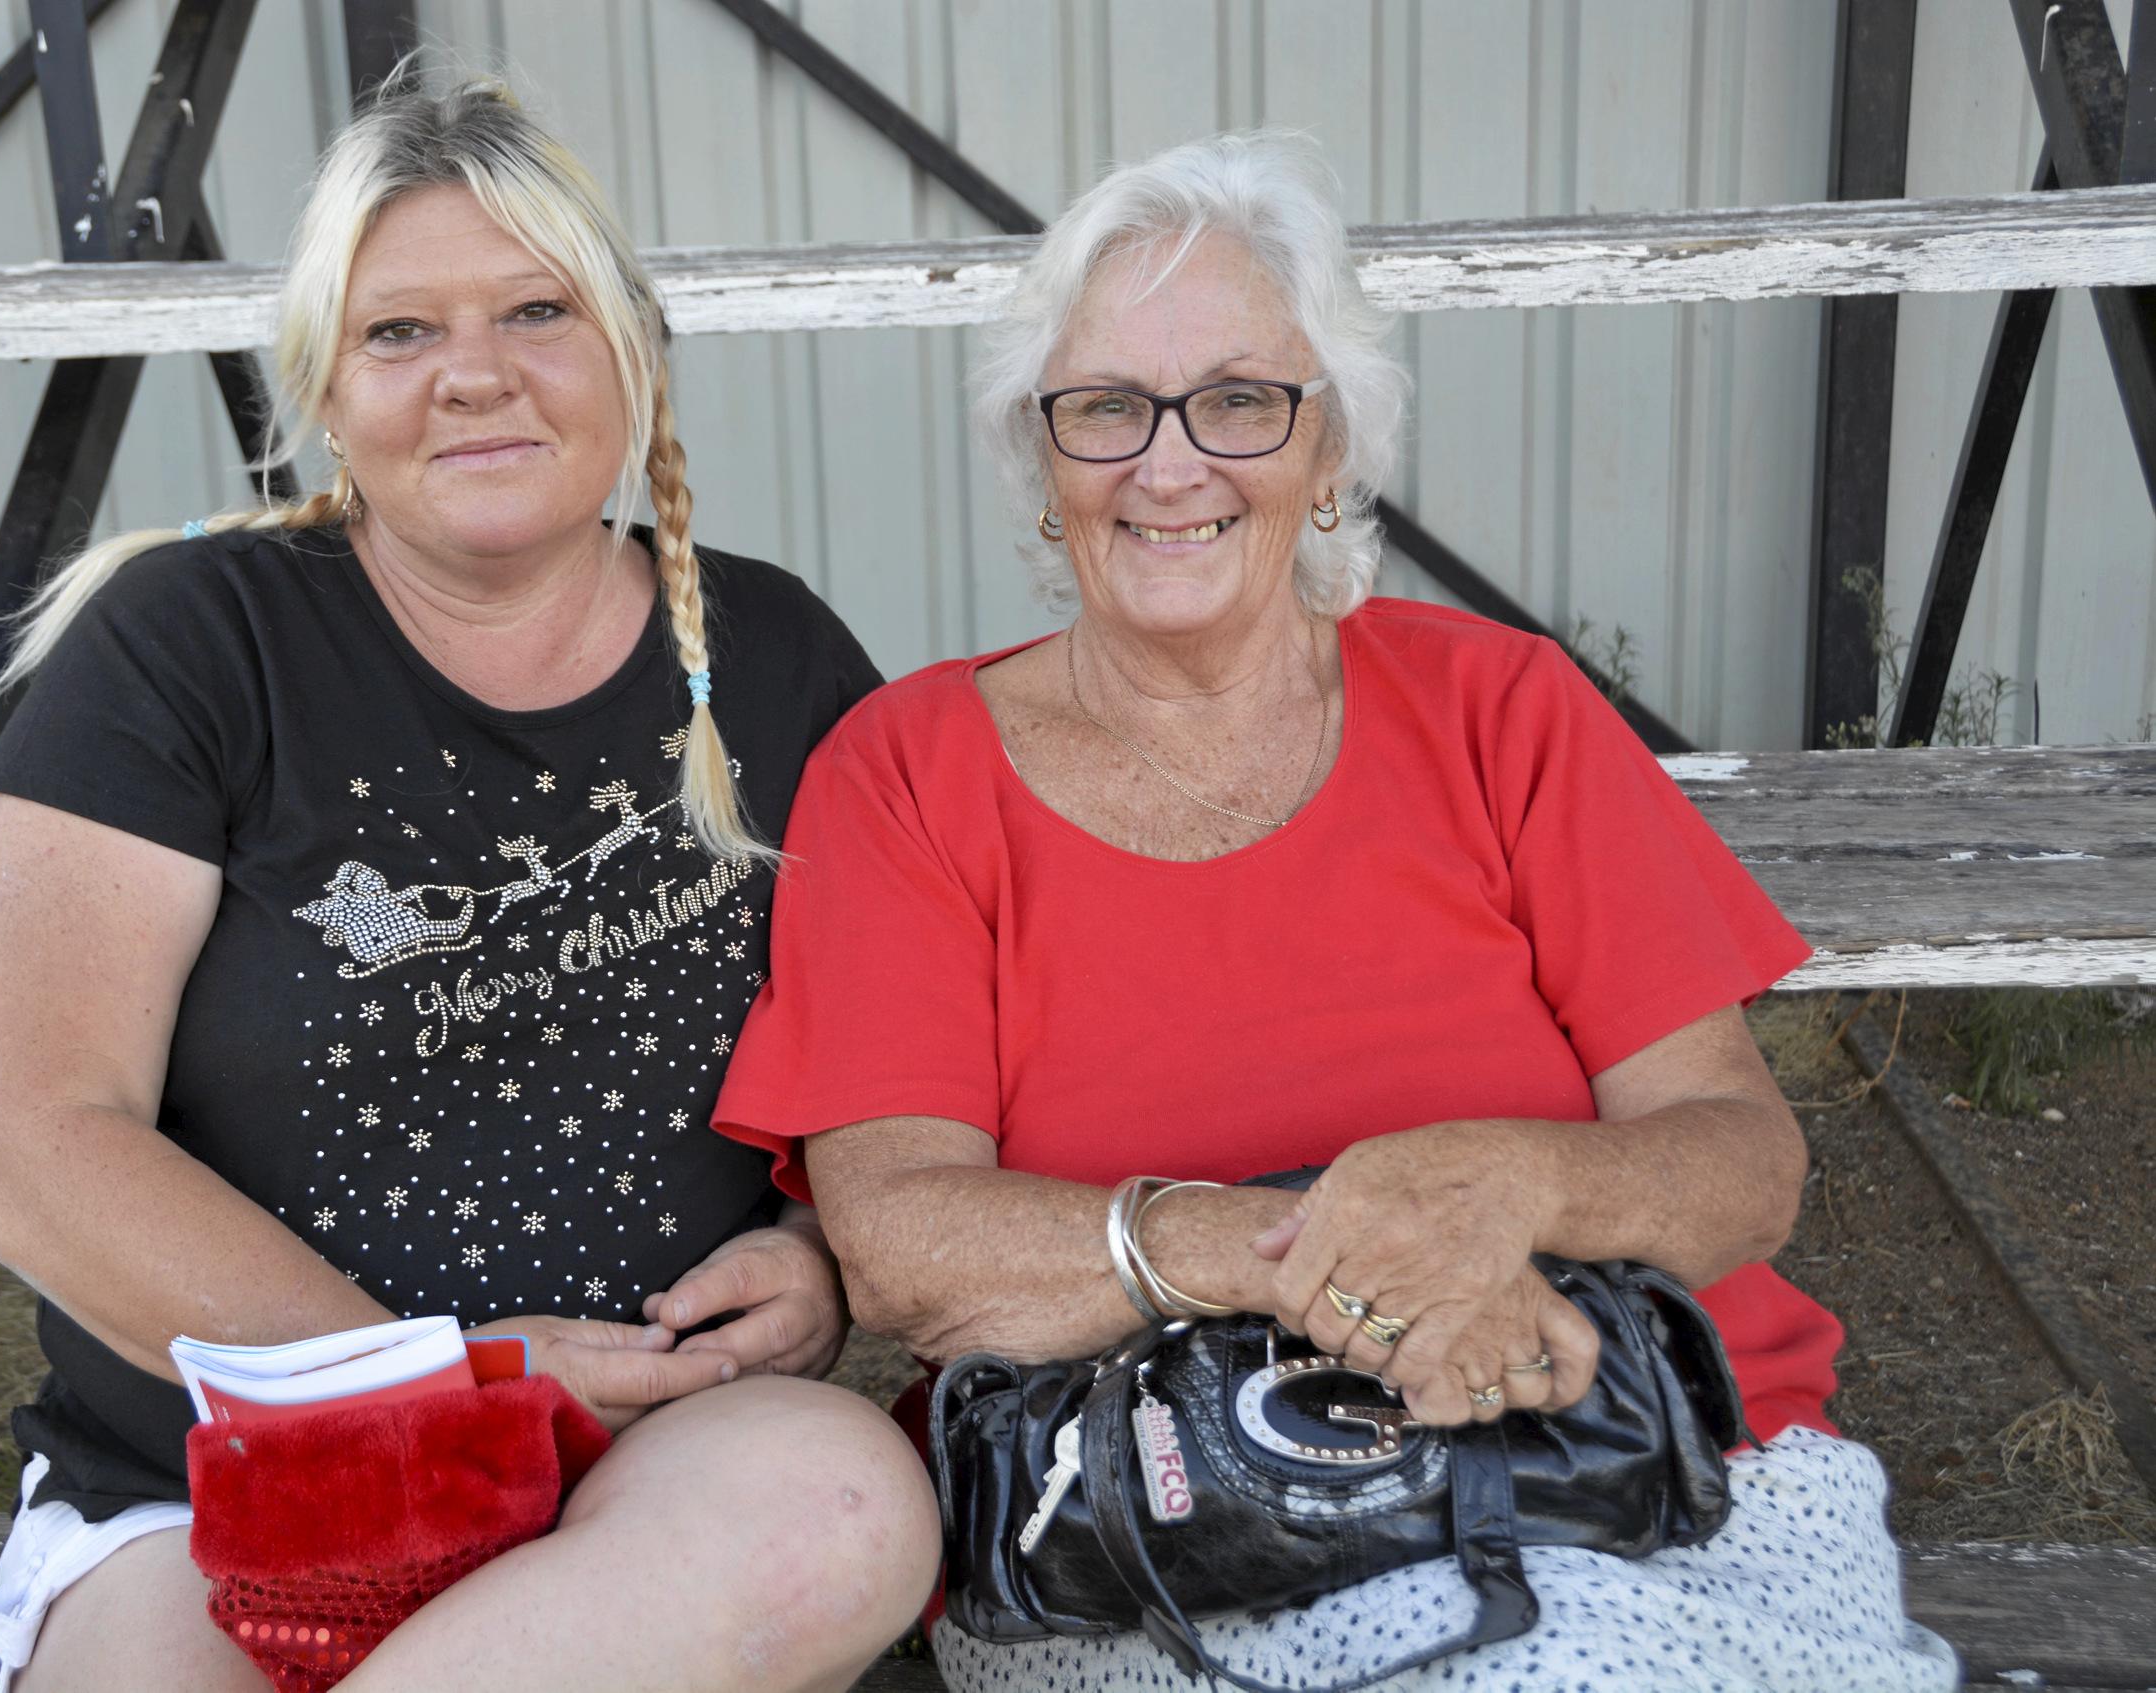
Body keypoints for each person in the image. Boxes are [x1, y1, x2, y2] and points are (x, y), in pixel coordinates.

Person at [713, 131, 1959, 1692]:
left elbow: (1740, 1161)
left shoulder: (1497, 707)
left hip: (1633, 1451)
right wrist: (1326, 1256)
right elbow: (899, 1246)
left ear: (1330, 448)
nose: (1170, 465)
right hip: (1168, 1512)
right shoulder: (909, 771)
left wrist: (1503, 1190)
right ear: (1042, 466)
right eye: (1104, 409)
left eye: (1240, 401)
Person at [0, 66, 938, 1693]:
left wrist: (815, 1240)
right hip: (231, 1478)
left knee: (836, 1503)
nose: (473, 377)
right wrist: (436, 1384)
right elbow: (22, 1145)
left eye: (535, 310)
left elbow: (894, 1053)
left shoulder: (773, 656)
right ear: (325, 390)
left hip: (655, 1464)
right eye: (400, 332)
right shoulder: (191, 646)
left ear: (629, 349)